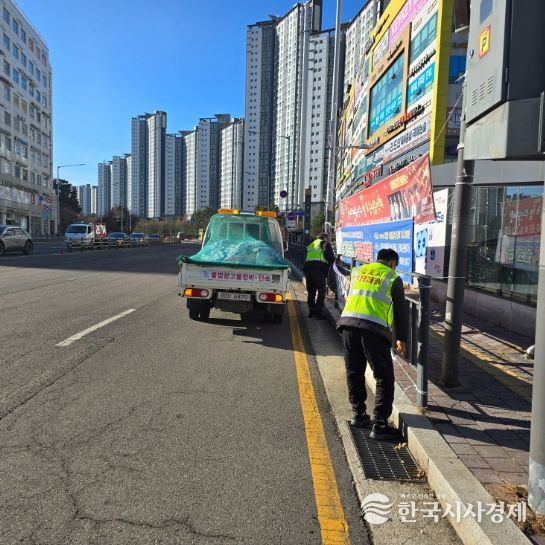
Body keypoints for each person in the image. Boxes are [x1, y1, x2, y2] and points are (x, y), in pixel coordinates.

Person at [336, 248, 408, 440]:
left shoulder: (359, 271)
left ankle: (358, 415)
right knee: (384, 377)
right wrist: (402, 339)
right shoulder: (392, 278)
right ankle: (380, 425)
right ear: (392, 263)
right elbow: (401, 312)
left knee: (354, 372)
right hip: (373, 330)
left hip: (348, 324)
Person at [303, 232, 335, 319]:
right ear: (325, 237)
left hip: (308, 268)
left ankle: (311, 310)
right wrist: (333, 262)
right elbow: (328, 255)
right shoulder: (324, 243)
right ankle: (318, 311)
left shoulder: (312, 244)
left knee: (311, 291)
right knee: (321, 290)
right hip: (318, 269)